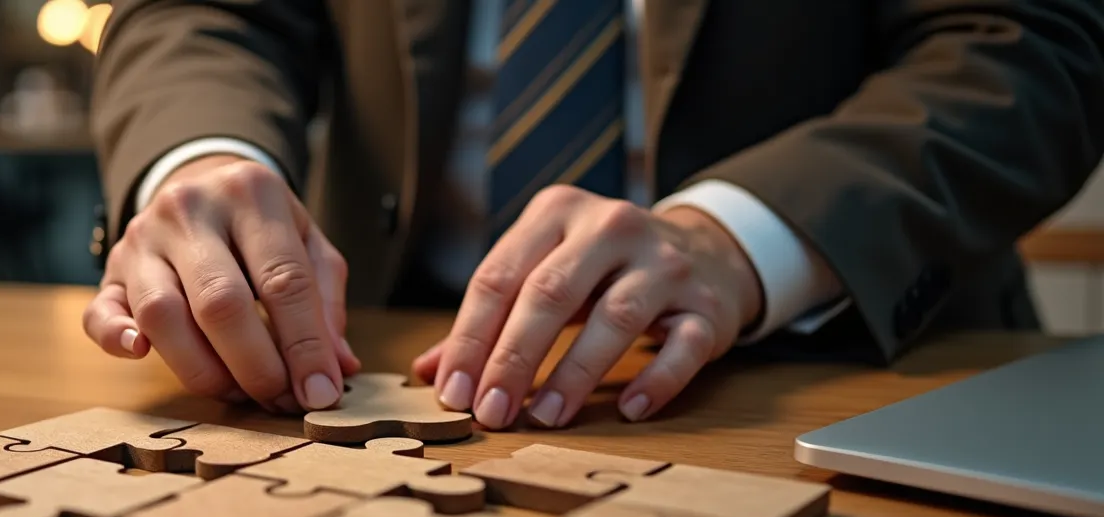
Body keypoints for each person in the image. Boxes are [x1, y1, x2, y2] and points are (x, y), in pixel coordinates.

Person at [83, 0, 1104, 430]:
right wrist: (205, 153)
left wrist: (737, 235)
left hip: (849, 364)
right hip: (381, 359)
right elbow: (200, 14)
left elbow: (1027, 41)